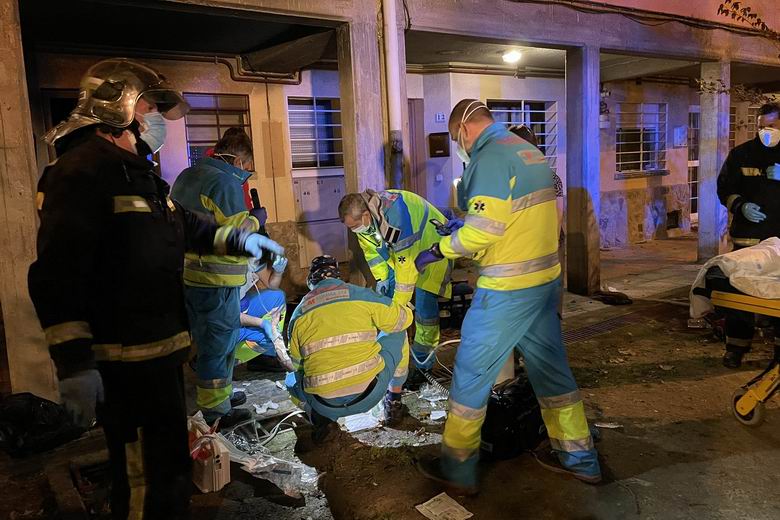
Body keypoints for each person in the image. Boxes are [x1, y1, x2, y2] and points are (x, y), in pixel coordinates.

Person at [27, 58, 283, 519]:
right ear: (118, 108)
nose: (156, 119)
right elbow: (55, 275)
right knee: (144, 478)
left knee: (168, 472)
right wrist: (73, 364)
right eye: (149, 106)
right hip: (125, 365)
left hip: (159, 355)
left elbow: (184, 225)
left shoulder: (136, 173)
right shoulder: (79, 173)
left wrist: (243, 238)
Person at [414, 99, 601, 494]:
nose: (458, 147)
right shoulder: (527, 151)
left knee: (470, 375)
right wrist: (464, 221)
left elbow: (483, 234)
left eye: (454, 139)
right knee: (552, 372)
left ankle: (458, 468)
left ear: (465, 129)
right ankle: (581, 459)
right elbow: (511, 217)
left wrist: (441, 247)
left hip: (506, 289)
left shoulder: (490, 157)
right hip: (543, 282)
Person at [171, 128, 276, 426]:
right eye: (248, 166)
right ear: (239, 159)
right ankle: (218, 410)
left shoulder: (186, 177)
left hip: (190, 274)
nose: (246, 173)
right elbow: (234, 237)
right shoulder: (225, 182)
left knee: (207, 339)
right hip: (217, 280)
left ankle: (223, 394)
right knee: (220, 342)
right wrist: (258, 218)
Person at [285, 256, 414, 437]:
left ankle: (321, 421)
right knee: (398, 329)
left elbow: (297, 364)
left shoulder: (298, 314)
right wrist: (404, 307)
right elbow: (402, 320)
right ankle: (394, 403)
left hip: (325, 405)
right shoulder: (360, 294)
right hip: (370, 395)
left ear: (311, 282)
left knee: (290, 380)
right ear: (338, 277)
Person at [338, 190, 452, 383]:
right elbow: (372, 252)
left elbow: (407, 266)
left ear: (366, 215)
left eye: (355, 226)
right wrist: (382, 279)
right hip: (401, 254)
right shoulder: (365, 221)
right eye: (350, 227)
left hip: (432, 249)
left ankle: (424, 366)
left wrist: (399, 306)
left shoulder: (396, 216)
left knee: (424, 312)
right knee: (389, 308)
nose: (353, 230)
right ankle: (394, 362)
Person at [717, 102, 780, 368]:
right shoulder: (741, 154)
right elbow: (724, 188)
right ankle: (736, 347)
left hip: (779, 243)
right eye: (763, 126)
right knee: (739, 296)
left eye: (773, 126)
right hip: (747, 240)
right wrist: (741, 205)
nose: (767, 131)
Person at [233, 251, 291, 372]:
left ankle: (263, 359)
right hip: (222, 321)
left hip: (242, 307)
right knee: (268, 336)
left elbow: (271, 285)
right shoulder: (218, 266)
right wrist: (262, 323)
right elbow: (227, 315)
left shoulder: (248, 253)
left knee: (277, 296)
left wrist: (278, 272)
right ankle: (221, 361)